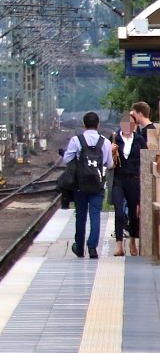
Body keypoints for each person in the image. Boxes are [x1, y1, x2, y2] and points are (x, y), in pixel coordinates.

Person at [64, 111, 114, 259]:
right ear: (98, 125)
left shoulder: (76, 140)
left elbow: (67, 159)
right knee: (95, 215)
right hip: (97, 185)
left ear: (83, 124)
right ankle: (92, 248)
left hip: (80, 184)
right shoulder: (105, 142)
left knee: (80, 215)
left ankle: (79, 248)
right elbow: (109, 164)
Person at [112, 116, 140, 257]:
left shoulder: (139, 140)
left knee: (133, 214)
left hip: (133, 179)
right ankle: (119, 246)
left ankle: (133, 241)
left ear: (135, 125)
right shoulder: (115, 138)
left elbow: (145, 158)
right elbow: (106, 159)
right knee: (118, 212)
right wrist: (111, 150)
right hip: (119, 179)